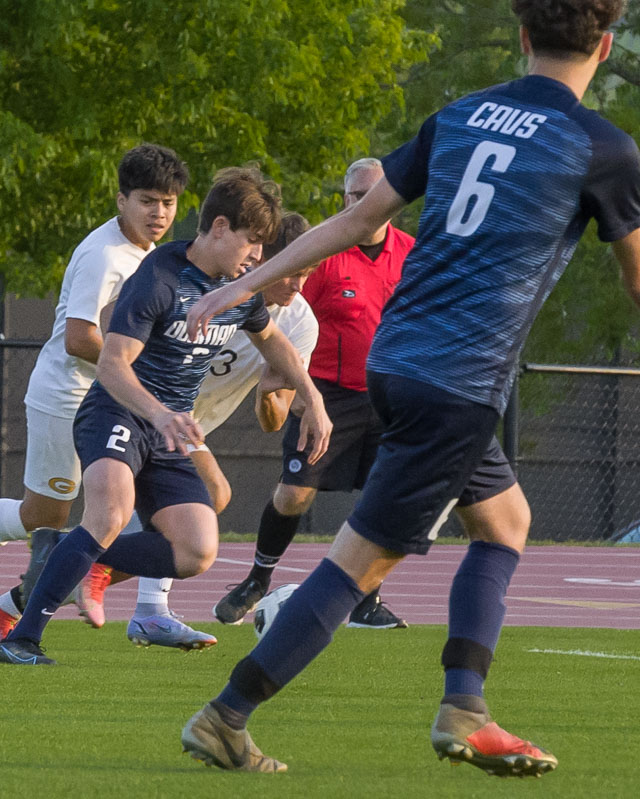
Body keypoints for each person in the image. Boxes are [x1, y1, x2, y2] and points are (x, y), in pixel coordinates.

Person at [179, 0, 640, 775]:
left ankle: (466, 703)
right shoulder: (601, 147)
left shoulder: (461, 116)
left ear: (523, 36)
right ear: (605, 43)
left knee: (506, 522)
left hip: (395, 361)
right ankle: (227, 714)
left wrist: (249, 279)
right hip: (457, 384)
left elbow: (359, 219)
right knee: (359, 563)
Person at [0, 166, 332, 666]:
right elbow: (111, 364)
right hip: (119, 411)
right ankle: (22, 640)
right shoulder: (159, 278)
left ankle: (68, 551)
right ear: (218, 227)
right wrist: (161, 413)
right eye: (251, 243)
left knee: (196, 551)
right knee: (109, 515)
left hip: (166, 428)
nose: (258, 257)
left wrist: (313, 398)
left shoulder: (238, 286)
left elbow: (273, 341)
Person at [0, 144, 219, 649]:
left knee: (144, 507)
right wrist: (142, 379)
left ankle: (147, 609)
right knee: (46, 517)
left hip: (126, 403)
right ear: (121, 200)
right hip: (70, 397)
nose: (159, 213)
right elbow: (78, 338)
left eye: (169, 202)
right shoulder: (105, 254)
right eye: (147, 200)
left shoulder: (158, 257)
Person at [70, 213, 322, 640]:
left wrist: (274, 392)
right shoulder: (211, 281)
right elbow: (118, 319)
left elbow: (273, 419)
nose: (297, 284)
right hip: (142, 405)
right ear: (262, 259)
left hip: (188, 422)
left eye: (307, 273)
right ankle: (112, 585)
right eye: (291, 270)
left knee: (197, 509)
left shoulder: (300, 323)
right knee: (73, 512)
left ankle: (62, 580)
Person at [211, 158, 413, 631]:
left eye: (372, 197)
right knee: (294, 494)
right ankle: (257, 581)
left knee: (382, 499)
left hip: (388, 394)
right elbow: (286, 308)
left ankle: (367, 598)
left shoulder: (411, 253)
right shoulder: (325, 249)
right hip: (325, 394)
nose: (361, 206)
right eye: (353, 197)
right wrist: (291, 386)